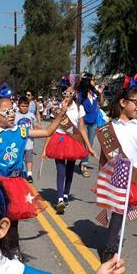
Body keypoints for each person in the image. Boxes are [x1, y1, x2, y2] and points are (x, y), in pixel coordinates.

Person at [0, 84, 70, 255]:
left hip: (15, 184)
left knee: (13, 222)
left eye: (12, 110)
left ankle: (13, 254)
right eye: (7, 112)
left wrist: (61, 113)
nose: (12, 114)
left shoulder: (21, 131)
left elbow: (47, 132)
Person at [94, 86, 137, 262]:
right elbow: (104, 156)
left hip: (133, 176)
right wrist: (101, 176)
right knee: (115, 210)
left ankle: (109, 247)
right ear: (123, 102)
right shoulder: (109, 128)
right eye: (135, 102)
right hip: (114, 174)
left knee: (120, 211)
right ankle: (112, 239)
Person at [43, 81, 94, 214]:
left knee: (69, 170)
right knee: (60, 171)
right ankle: (59, 199)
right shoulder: (58, 107)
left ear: (74, 94)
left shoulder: (79, 108)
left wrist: (89, 147)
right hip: (59, 140)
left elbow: (82, 129)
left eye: (70, 92)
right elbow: (51, 129)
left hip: (73, 140)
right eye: (65, 92)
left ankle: (65, 194)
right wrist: (45, 148)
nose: (68, 94)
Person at [76, 74, 100, 178]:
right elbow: (77, 106)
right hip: (84, 122)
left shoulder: (94, 93)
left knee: (89, 143)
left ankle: (83, 162)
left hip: (93, 122)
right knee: (85, 144)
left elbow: (101, 103)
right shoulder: (81, 94)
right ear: (88, 81)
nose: (95, 81)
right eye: (93, 79)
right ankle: (84, 166)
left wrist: (101, 94)